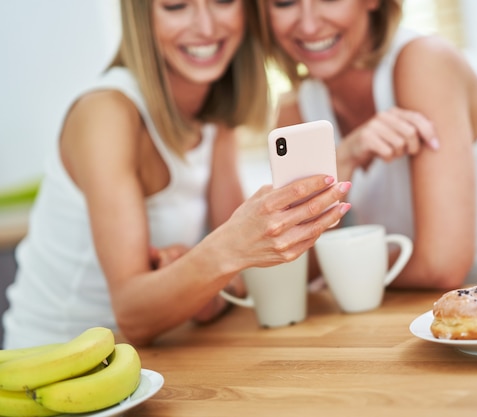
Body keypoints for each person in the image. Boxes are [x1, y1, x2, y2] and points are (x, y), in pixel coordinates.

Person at [2, 0, 351, 349]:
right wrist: (217, 256)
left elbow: (242, 277)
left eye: (222, 2)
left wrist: (199, 282)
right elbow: (133, 314)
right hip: (54, 363)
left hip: (153, 355)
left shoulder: (213, 110)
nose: (205, 26)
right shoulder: (105, 113)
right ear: (142, 19)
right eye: (176, 6)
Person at [256, 0, 477, 289]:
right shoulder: (295, 114)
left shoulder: (423, 61)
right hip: (462, 323)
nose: (307, 23)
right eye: (285, 2)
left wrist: (343, 269)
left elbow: (441, 266)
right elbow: (295, 270)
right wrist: (345, 159)